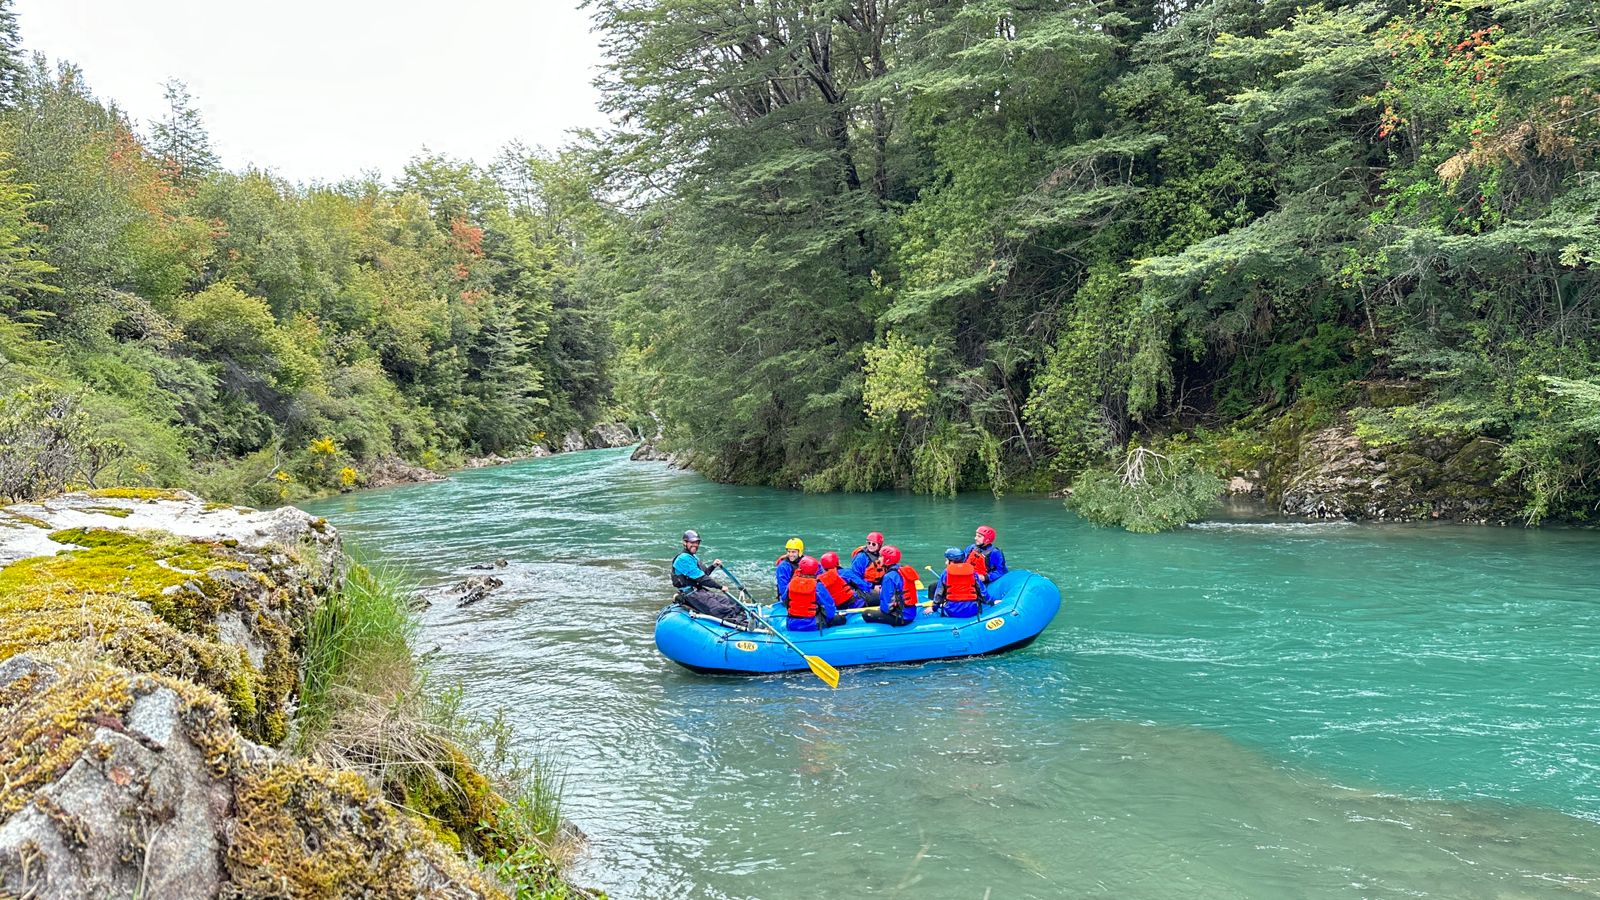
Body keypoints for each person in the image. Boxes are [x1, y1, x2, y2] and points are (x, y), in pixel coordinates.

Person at [670, 530, 750, 627]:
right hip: (691, 594)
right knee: (722, 610)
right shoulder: (682, 559)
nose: (695, 545)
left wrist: (713, 566)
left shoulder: (693, 557)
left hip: (700, 591)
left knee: (735, 604)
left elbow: (704, 574)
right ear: (685, 543)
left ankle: (746, 621)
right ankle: (742, 626)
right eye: (692, 542)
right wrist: (720, 587)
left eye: (697, 542)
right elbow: (702, 579)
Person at [861, 545, 919, 627]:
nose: (879, 559)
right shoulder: (900, 569)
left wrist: (881, 611)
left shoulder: (889, 577)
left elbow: (886, 607)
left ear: (887, 559)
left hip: (900, 617)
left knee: (866, 614)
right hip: (910, 614)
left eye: (881, 556)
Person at [786, 555, 846, 631]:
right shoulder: (817, 585)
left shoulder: (791, 583)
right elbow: (829, 605)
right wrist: (830, 617)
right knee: (841, 619)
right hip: (812, 624)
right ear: (815, 570)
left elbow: (785, 600)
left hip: (792, 623)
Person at [929, 547, 990, 618]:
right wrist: (991, 601)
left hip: (952, 611)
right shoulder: (972, 572)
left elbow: (939, 593)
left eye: (946, 560)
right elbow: (982, 590)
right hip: (971, 610)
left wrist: (934, 608)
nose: (945, 563)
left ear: (952, 561)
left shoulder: (945, 573)